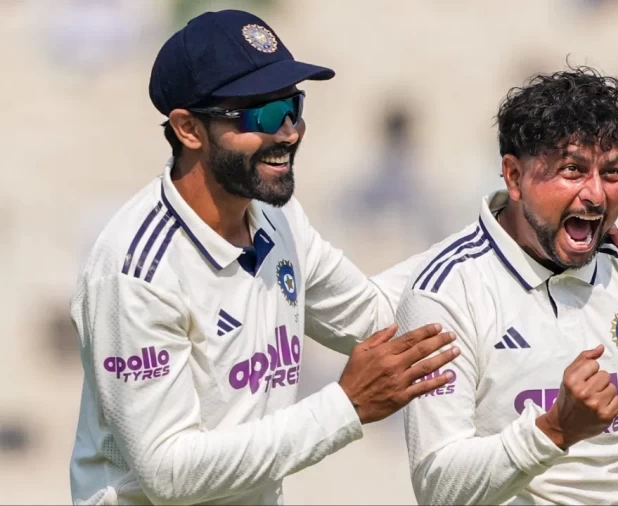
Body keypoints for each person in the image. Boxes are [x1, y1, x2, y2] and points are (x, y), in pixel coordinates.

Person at [67, 10, 464, 505]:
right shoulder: (136, 272)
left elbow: (378, 317)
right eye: (263, 115)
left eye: (292, 106)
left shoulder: (277, 218)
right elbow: (168, 473)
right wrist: (345, 407)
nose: (289, 132)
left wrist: (501, 231)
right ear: (188, 129)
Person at [396, 66, 618, 505]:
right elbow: (439, 489)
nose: (596, 194)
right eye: (572, 170)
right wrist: (556, 429)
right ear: (514, 177)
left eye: (612, 172)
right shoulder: (447, 291)